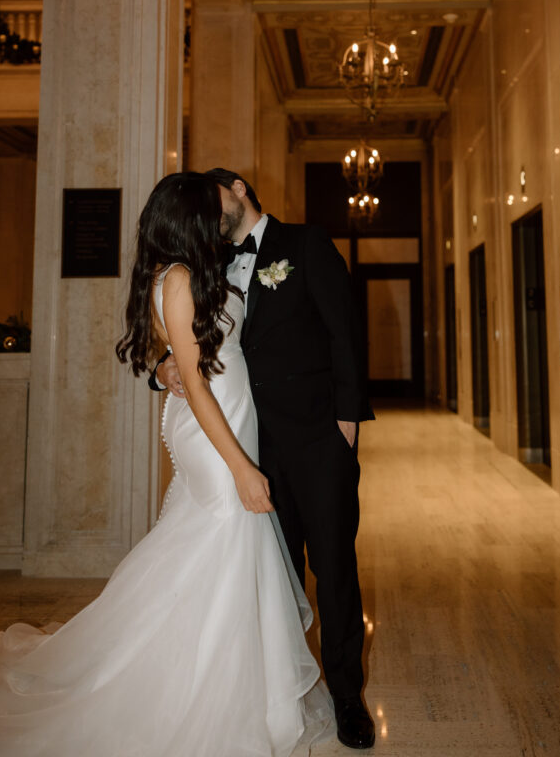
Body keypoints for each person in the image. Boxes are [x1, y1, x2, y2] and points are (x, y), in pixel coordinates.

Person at [0, 172, 333, 756]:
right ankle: (209, 694)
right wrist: (241, 469)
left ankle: (235, 683)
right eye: (209, 210)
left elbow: (184, 361)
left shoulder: (188, 272)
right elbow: (199, 384)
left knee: (207, 554)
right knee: (225, 543)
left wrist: (165, 370)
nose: (218, 217)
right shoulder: (178, 278)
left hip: (225, 425)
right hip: (215, 436)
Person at [153, 169, 376, 750]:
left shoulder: (303, 244)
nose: (210, 208)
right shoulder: (204, 262)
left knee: (333, 567)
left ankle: (348, 696)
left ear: (240, 187)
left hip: (316, 440)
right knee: (270, 573)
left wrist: (346, 424)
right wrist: (161, 370)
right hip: (248, 445)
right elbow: (181, 343)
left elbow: (344, 333)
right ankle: (276, 686)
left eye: (215, 195)